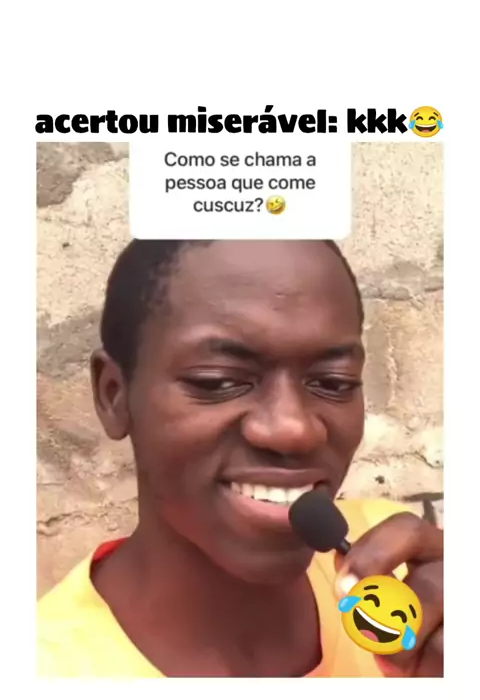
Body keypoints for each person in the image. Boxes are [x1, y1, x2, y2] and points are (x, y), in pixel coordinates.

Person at [37, 240, 443, 678]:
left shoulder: (399, 572)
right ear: (114, 396)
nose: (294, 428)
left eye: (334, 382)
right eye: (217, 381)